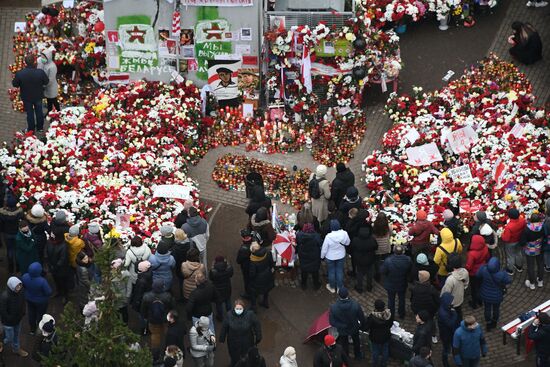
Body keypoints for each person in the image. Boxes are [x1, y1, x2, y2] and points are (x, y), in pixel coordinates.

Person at [219, 299, 262, 367]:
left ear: (243, 308)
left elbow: (257, 324)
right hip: (233, 341)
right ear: (234, 308)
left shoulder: (250, 314)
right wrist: (222, 338)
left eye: (240, 308)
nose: (238, 310)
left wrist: (258, 336)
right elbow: (224, 326)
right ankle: (234, 364)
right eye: (237, 308)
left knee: (247, 356)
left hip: (247, 341)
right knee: (234, 356)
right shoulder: (229, 315)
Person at [11, 55, 49, 132]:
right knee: (39, 111)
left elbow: (15, 84)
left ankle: (31, 129)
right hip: (38, 95)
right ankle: (40, 128)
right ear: (34, 62)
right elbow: (46, 82)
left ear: (25, 63)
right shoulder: (40, 72)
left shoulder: (20, 73)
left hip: (26, 97)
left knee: (30, 113)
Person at [141, 278, 174, 362]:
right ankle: (168, 350)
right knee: (167, 334)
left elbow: (143, 310)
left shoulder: (147, 296)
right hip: (165, 319)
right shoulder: (167, 296)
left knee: (155, 336)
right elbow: (172, 308)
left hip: (153, 320)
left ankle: (155, 354)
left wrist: (146, 317)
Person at [329, 288, 365, 359]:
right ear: (348, 294)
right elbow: (362, 318)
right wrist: (362, 326)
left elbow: (332, 322)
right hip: (354, 327)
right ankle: (358, 355)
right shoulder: (355, 305)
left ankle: (346, 357)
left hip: (342, 330)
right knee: (356, 342)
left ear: (339, 296)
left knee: (344, 344)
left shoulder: (333, 307)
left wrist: (342, 325)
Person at [476, 257, 511, 330]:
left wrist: (483, 266)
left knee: (487, 308)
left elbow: (477, 275)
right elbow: (508, 280)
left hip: (485, 294)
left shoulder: (484, 270)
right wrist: (505, 273)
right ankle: (494, 321)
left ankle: (488, 322)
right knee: (496, 309)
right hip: (497, 296)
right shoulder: (501, 274)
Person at [381, 245, 411, 319]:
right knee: (402, 299)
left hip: (391, 284)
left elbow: (382, 271)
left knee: (391, 300)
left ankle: (391, 316)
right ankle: (401, 314)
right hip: (402, 283)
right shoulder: (408, 260)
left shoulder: (388, 260)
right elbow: (410, 270)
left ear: (394, 251)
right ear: (403, 252)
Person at [0, 277, 28, 357]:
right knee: (9, 338)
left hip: (18, 320)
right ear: (11, 286)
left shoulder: (21, 292)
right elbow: (2, 311)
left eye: (20, 285)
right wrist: (9, 318)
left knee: (16, 336)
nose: (19, 287)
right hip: (8, 323)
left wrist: (23, 312)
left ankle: (16, 349)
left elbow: (23, 302)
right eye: (17, 286)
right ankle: (2, 341)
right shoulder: (4, 296)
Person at [21, 262, 52, 334]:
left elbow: (24, 286)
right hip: (41, 302)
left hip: (29, 299)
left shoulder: (25, 276)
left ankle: (32, 329)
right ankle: (39, 328)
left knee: (31, 314)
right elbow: (49, 292)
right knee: (40, 315)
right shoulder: (42, 281)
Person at [321, 219, 351, 293]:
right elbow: (348, 243)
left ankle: (332, 287)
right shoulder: (344, 233)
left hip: (330, 256)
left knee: (331, 271)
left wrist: (322, 256)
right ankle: (339, 287)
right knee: (339, 271)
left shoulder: (328, 236)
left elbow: (324, 248)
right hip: (341, 255)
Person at [410, 270, 440, 343]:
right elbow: (437, 300)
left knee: (420, 323)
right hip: (430, 311)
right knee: (432, 323)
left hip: (418, 310)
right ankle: (433, 336)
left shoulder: (414, 288)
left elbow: (412, 299)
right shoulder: (431, 288)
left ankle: (420, 336)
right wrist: (436, 308)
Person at [46, 229, 72, 304]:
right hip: (53, 267)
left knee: (64, 282)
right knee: (56, 281)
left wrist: (56, 266)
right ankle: (58, 291)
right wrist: (49, 264)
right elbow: (47, 252)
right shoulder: (49, 242)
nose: (51, 236)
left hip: (62, 269)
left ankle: (65, 295)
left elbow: (63, 258)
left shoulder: (64, 245)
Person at [364, 299, 393, 367]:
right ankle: (384, 364)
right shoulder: (389, 314)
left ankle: (375, 364)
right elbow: (390, 325)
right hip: (386, 336)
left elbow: (367, 326)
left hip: (375, 337)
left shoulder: (372, 317)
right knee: (385, 350)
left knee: (375, 351)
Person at [0, 195, 25, 273]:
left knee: (9, 250)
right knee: (17, 250)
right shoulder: (19, 212)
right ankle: (18, 267)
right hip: (17, 233)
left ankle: (11, 267)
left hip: (7, 234)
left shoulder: (2, 213)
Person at [351, 221, 378, 293]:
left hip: (359, 260)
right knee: (370, 273)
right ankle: (369, 287)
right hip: (370, 259)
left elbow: (352, 247)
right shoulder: (372, 240)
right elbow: (376, 247)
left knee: (360, 274)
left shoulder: (355, 240)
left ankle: (359, 288)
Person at [520, 213, 545, 290]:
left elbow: (522, 242)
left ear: (531, 220)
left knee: (531, 267)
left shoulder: (527, 229)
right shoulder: (542, 227)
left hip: (530, 250)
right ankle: (540, 281)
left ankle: (532, 284)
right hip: (539, 249)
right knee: (540, 265)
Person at [465, 235, 490, 309]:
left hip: (474, 273)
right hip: (482, 270)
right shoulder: (485, 247)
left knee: (474, 289)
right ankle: (480, 301)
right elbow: (487, 257)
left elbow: (469, 266)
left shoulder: (472, 254)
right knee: (480, 286)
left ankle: (474, 304)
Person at [441, 256, 469, 321]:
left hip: (452, 302)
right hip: (460, 298)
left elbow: (446, 293)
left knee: (452, 316)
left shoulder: (450, 279)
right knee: (459, 312)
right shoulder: (465, 271)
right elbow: (466, 284)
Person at [248, 242, 274, 310]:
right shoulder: (268, 253)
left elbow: (252, 274)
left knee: (253, 292)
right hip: (267, 275)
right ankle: (265, 302)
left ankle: (253, 306)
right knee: (266, 289)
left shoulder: (253, 261)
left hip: (257, 279)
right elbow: (271, 264)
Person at [296, 223, 322, 290]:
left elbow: (298, 242)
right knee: (315, 271)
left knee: (304, 270)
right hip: (314, 256)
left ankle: (303, 284)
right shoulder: (316, 236)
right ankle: (316, 285)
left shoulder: (299, 235)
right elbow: (320, 243)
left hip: (303, 256)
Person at [501, 208, 526, 275]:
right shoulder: (522, 220)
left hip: (511, 243)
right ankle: (519, 267)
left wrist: (502, 234)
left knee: (510, 256)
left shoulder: (509, 226)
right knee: (518, 253)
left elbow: (506, 238)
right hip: (519, 240)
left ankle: (510, 270)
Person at [209, 255, 234, 321]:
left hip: (217, 290)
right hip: (227, 288)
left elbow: (210, 278)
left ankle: (220, 317)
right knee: (228, 301)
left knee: (219, 304)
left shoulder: (213, 271)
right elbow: (231, 274)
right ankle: (230, 315)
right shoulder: (228, 269)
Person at [438, 293, 459, 367]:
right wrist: (454, 314)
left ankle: (456, 359)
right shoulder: (443, 313)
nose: (453, 302)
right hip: (446, 335)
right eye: (451, 300)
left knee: (453, 347)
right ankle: (445, 362)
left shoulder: (445, 307)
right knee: (446, 349)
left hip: (449, 333)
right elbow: (450, 323)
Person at [37, 47, 59, 116]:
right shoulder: (42, 62)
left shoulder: (52, 67)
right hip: (45, 86)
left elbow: (51, 80)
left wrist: (43, 85)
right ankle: (49, 111)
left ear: (48, 57)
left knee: (53, 100)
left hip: (50, 87)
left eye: (44, 57)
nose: (42, 58)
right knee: (48, 101)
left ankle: (58, 112)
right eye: (42, 57)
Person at [172, 228, 193, 299]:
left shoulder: (175, 248)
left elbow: (174, 259)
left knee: (181, 282)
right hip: (190, 264)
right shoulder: (190, 243)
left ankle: (183, 296)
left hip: (180, 267)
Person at [372, 212, 392, 281]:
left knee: (377, 262)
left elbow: (372, 236)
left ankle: (378, 275)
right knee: (386, 260)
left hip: (377, 247)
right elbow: (390, 234)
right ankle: (386, 273)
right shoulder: (388, 226)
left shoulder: (373, 226)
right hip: (386, 246)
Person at [236, 229, 253, 298]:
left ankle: (248, 293)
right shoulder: (254, 243)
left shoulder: (243, 249)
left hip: (246, 267)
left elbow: (238, 260)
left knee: (247, 281)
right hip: (254, 266)